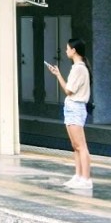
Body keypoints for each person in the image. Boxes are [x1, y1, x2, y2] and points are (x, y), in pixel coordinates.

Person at [46, 38, 93, 190]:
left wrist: (59, 76)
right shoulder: (79, 67)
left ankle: (85, 179)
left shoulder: (78, 68)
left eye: (67, 48)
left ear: (74, 50)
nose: (66, 51)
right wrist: (58, 74)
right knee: (75, 145)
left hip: (76, 108)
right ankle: (78, 176)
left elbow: (68, 90)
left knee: (81, 146)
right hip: (73, 108)